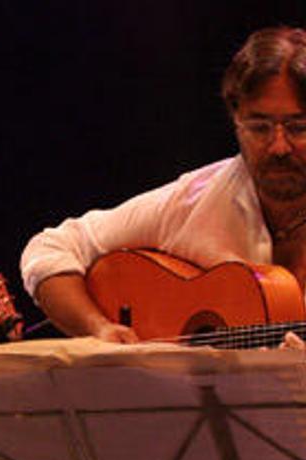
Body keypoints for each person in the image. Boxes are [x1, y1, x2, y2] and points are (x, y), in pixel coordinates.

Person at [20, 26, 306, 348]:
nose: (278, 146)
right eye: (259, 127)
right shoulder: (195, 200)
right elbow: (51, 249)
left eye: (298, 127)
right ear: (235, 120)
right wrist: (98, 328)